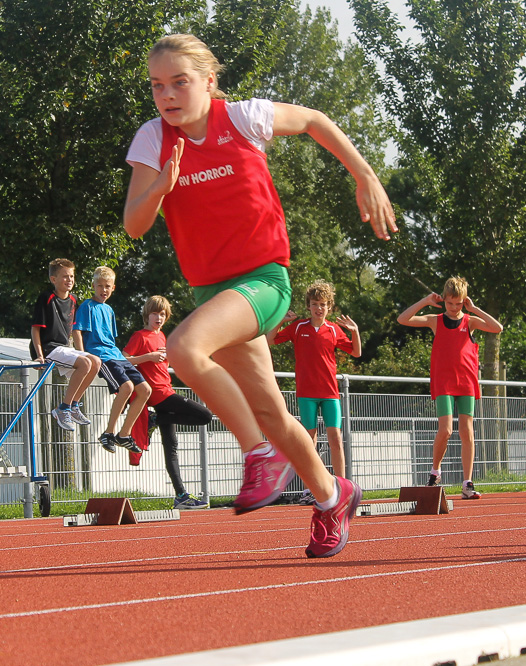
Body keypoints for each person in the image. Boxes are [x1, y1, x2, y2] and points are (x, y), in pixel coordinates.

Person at [123, 33, 397, 558]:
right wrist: (160, 186)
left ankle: (258, 454)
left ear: (208, 81)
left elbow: (315, 120)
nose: (168, 95)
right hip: (211, 290)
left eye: (180, 82)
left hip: (263, 281)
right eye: (158, 86)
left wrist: (364, 174)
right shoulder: (152, 140)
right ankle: (331, 495)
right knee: (271, 409)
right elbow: (135, 225)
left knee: (181, 350)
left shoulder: (245, 117)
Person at [397, 277, 504, 499]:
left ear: (464, 301)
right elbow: (403, 319)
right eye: (450, 303)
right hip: (444, 381)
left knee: (467, 431)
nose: (454, 308)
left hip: (466, 381)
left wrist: (474, 309)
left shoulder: (470, 321)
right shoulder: (435, 320)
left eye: (458, 303)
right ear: (444, 300)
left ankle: (467, 483)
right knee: (445, 431)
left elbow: (497, 328)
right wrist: (426, 301)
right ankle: (435, 472)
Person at [267, 280, 361, 505]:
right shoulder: (299, 327)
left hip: (330, 393)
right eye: (315, 304)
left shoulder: (333, 329)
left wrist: (355, 330)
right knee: (309, 442)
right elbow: (271, 339)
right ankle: (313, 488)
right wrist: (281, 320)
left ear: (329, 307)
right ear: (308, 306)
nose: (319, 308)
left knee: (335, 438)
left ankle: (342, 485)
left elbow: (356, 352)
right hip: (306, 393)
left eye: (323, 304)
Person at [124, 295, 213, 509]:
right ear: (147, 314)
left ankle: (181, 496)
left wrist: (169, 356)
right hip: (157, 393)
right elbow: (123, 359)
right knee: (205, 416)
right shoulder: (140, 336)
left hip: (166, 389)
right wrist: (149, 357)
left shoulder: (162, 336)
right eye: (155, 313)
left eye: (163, 314)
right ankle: (155, 417)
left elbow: (163, 363)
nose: (159, 317)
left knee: (171, 446)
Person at [72, 266, 149, 454]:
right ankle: (108, 433)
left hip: (116, 354)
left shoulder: (109, 309)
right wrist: (84, 355)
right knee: (127, 387)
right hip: (102, 356)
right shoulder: (86, 306)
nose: (103, 290)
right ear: (93, 286)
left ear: (113, 288)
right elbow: (77, 331)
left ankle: (124, 434)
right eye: (100, 286)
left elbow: (111, 338)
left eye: (107, 286)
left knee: (145, 390)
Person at [30, 258, 102, 431]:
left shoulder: (73, 300)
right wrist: (39, 355)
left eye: (71, 276)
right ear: (53, 279)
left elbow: (74, 329)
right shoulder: (46, 298)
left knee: (96, 362)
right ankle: (63, 408)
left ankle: (74, 404)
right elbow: (35, 329)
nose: (69, 280)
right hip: (49, 348)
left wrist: (80, 351)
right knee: (85, 363)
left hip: (64, 347)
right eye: (65, 276)